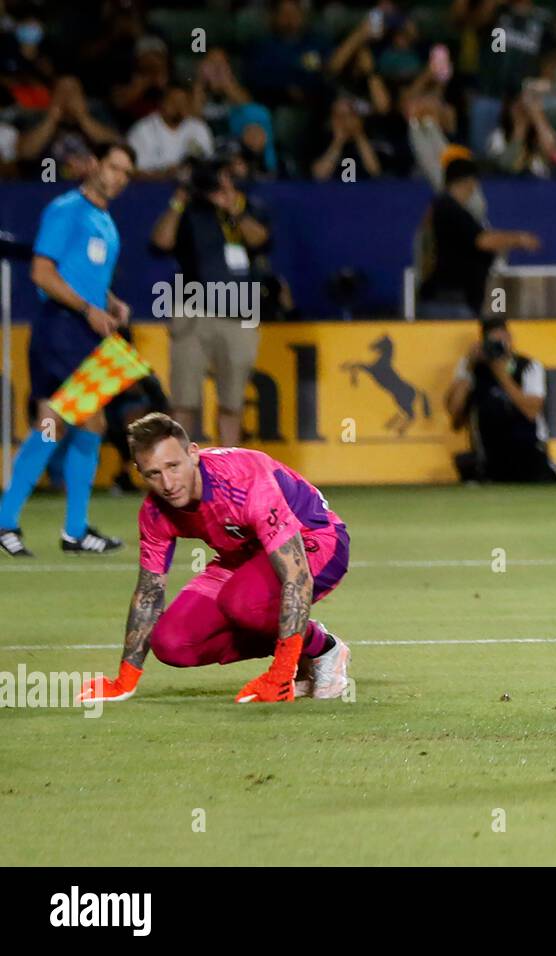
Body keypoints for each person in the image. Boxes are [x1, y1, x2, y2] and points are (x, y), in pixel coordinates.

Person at [75, 413, 352, 705]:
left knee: (243, 602)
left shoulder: (243, 481)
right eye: (153, 473)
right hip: (244, 557)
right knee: (173, 643)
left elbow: (296, 577)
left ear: (193, 453)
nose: (168, 483)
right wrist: (125, 680)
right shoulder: (154, 512)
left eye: (173, 466)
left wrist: (280, 673)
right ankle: (305, 638)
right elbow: (149, 594)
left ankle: (324, 651)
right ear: (139, 471)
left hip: (316, 542)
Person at [0, 141, 135, 558]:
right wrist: (88, 309)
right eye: (113, 166)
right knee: (80, 421)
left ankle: (58, 528)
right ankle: (39, 525)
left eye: (126, 173)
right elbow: (42, 272)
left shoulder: (104, 219)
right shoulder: (67, 209)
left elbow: (80, 272)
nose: (117, 177)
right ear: (94, 164)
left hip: (82, 330)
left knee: (58, 425)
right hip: (61, 330)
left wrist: (110, 301)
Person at [149, 158, 271, 448]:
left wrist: (233, 210)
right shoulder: (188, 210)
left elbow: (261, 241)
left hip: (241, 313)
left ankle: (229, 473)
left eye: (224, 178)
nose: (219, 186)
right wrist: (179, 201)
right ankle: (176, 472)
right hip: (194, 312)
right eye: (214, 180)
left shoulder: (248, 207)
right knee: (184, 401)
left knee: (233, 402)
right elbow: (161, 243)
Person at [444, 318, 556, 483]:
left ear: (511, 339)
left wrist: (501, 374)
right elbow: (455, 418)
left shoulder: (528, 367)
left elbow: (531, 411)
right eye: (494, 343)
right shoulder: (473, 368)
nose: (501, 346)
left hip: (527, 453)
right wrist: (468, 369)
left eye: (504, 340)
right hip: (490, 456)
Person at [423, 157, 540, 314]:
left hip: (455, 298)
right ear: (468, 182)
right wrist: (519, 239)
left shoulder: (446, 208)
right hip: (449, 300)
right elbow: (483, 240)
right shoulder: (448, 208)